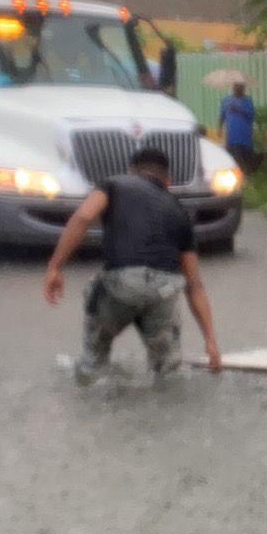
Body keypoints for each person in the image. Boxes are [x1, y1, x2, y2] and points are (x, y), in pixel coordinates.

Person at [44, 147, 222, 382]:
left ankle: (91, 373)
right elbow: (194, 284)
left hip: (121, 285)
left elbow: (84, 217)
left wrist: (55, 267)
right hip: (163, 290)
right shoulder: (179, 210)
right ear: (167, 181)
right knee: (167, 374)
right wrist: (210, 340)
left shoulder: (114, 184)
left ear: (131, 171)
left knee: (93, 370)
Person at [219, 82, 257, 173]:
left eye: (240, 87)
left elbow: (251, 115)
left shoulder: (247, 101)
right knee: (232, 157)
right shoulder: (226, 100)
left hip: (244, 135)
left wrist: (239, 110)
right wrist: (219, 127)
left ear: (244, 88)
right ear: (233, 87)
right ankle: (236, 174)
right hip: (231, 135)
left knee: (245, 157)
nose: (238, 88)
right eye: (236, 86)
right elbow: (222, 115)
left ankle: (246, 173)